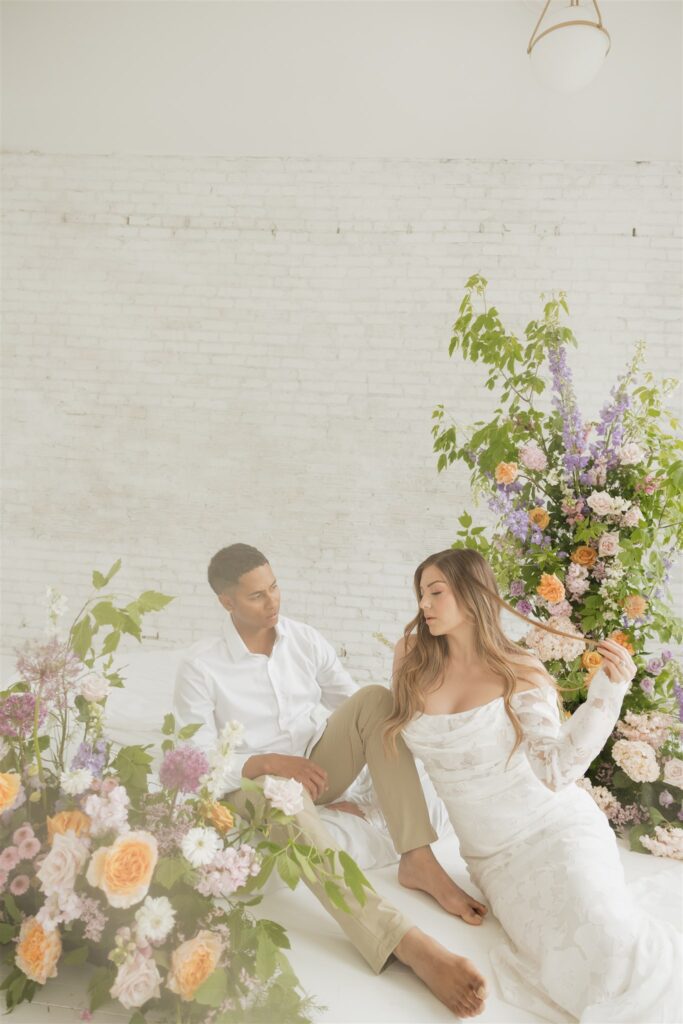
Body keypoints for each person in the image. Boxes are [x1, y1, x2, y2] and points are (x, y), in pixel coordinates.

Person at [174, 543, 488, 1019]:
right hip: (251, 786)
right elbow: (193, 762)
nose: (273, 601)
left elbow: (357, 708)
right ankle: (404, 941)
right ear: (227, 602)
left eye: (275, 586)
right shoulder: (201, 666)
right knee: (283, 795)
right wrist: (267, 762)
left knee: (375, 699)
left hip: (316, 770)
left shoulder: (303, 639)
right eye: (258, 596)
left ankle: (418, 858)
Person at [386, 546, 682, 1023]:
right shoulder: (411, 658)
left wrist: (607, 695)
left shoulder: (517, 669)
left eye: (436, 592)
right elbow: (394, 739)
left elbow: (556, 771)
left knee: (609, 940)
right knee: (564, 960)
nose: (424, 604)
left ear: (473, 593)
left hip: (555, 831)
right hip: (495, 860)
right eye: (421, 593)